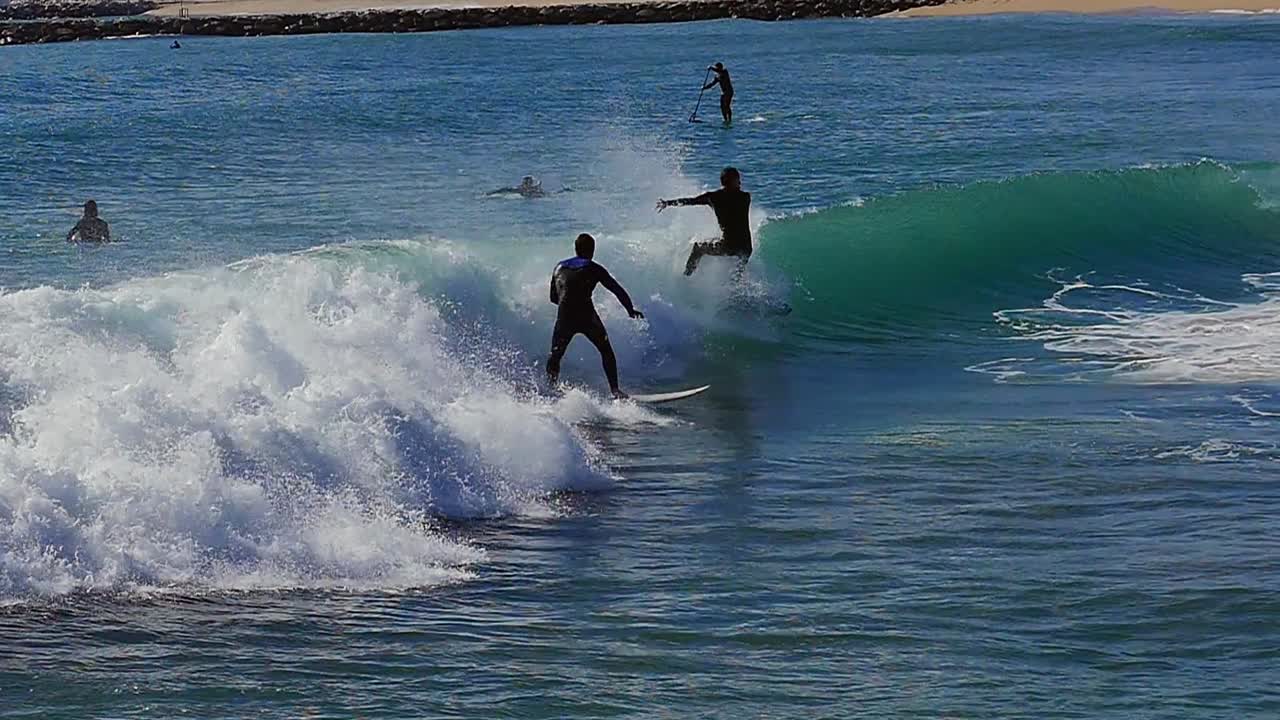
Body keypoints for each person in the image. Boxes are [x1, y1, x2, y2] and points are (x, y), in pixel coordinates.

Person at [546, 233, 645, 399]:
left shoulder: (558, 268)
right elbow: (616, 289)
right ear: (592, 251)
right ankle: (615, 391)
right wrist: (630, 310)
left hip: (564, 317)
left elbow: (553, 298)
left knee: (555, 355)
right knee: (606, 351)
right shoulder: (594, 268)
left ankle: (551, 390)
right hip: (586, 316)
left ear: (576, 249)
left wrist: (568, 305)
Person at [656, 167, 752, 277]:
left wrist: (668, 203)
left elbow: (691, 201)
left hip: (728, 246)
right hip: (746, 248)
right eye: (738, 179)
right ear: (732, 181)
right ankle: (738, 283)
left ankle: (686, 276)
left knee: (698, 247)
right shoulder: (746, 197)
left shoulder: (713, 197)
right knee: (738, 273)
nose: (740, 183)